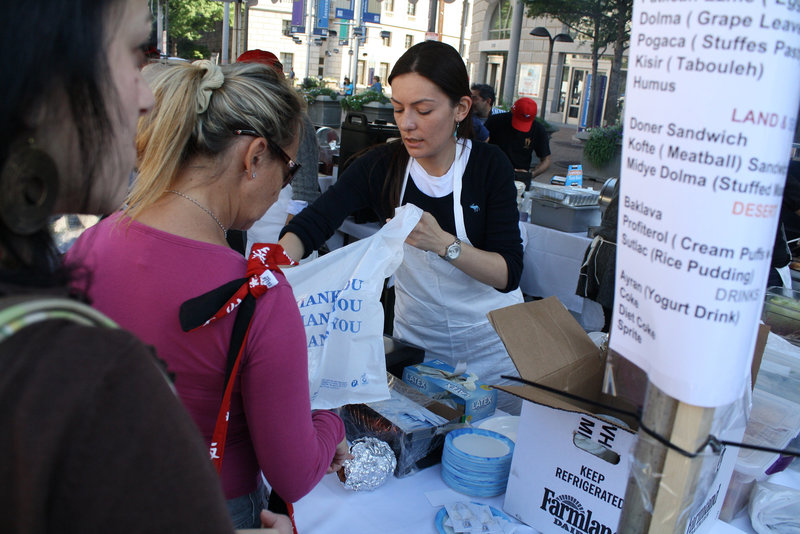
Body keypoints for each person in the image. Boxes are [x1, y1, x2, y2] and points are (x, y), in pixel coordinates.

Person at [0, 0, 284, 532]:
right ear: (40, 75)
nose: (147, 96)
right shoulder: (96, 381)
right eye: (134, 56)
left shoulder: (75, 273)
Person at [66, 60, 349, 529]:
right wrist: (332, 424)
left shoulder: (89, 244)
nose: (283, 184)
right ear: (255, 156)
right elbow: (293, 473)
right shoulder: (255, 294)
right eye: (289, 167)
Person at [280, 40, 525, 414]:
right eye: (398, 109)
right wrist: (273, 264)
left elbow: (507, 273)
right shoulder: (383, 165)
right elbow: (316, 220)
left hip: (491, 345)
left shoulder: (489, 166)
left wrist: (444, 243)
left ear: (460, 109)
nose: (407, 123)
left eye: (423, 110)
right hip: (418, 347)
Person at [236, 50, 322, 257]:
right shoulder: (247, 116)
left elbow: (305, 191)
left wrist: (289, 237)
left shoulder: (296, 120)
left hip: (283, 227)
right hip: (256, 227)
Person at [485, 97, 552, 189]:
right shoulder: (495, 121)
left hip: (519, 178)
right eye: (519, 120)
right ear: (512, 111)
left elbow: (546, 160)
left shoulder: (538, 129)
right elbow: (480, 146)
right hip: (492, 173)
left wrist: (530, 174)